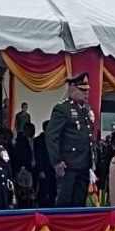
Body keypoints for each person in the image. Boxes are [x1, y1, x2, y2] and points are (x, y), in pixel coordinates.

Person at [45, 73, 95, 207]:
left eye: (87, 90)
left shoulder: (85, 110)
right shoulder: (63, 109)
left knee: (79, 202)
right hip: (68, 164)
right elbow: (51, 135)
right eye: (82, 90)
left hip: (84, 164)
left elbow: (88, 137)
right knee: (65, 202)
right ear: (72, 89)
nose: (86, 93)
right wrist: (56, 160)